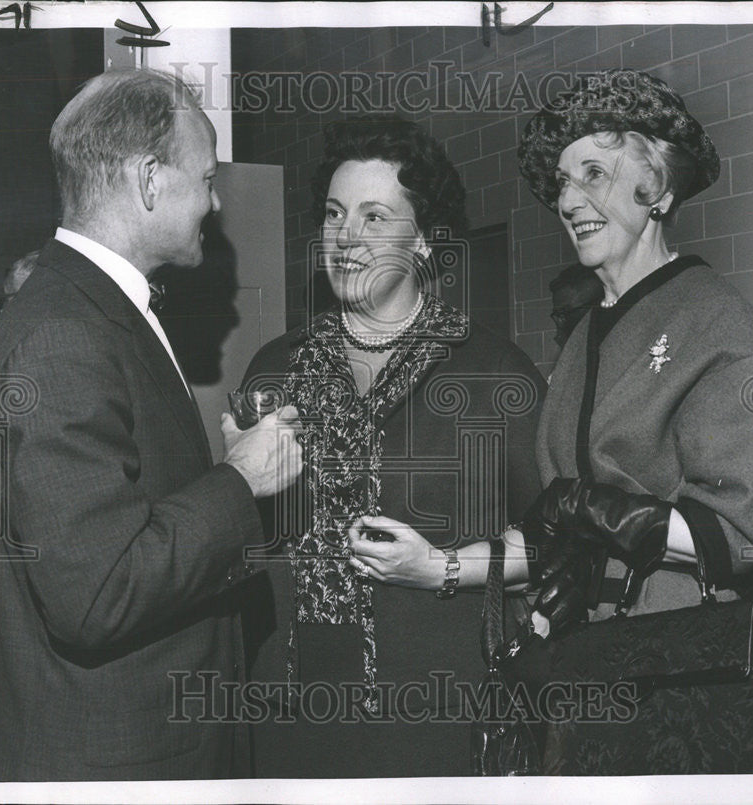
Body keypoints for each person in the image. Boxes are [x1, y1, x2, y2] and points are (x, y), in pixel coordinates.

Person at [0, 69, 303, 781]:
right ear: (150, 179)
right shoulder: (62, 332)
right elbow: (99, 593)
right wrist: (241, 479)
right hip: (117, 763)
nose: (215, 204)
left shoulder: (97, 310)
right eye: (206, 179)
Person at [241, 116, 546, 777]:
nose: (346, 237)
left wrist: (439, 566)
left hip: (436, 716)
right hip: (291, 716)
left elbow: (561, 540)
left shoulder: (490, 372)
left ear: (425, 241)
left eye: (375, 216)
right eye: (333, 213)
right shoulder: (275, 368)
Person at [512, 68, 753, 632]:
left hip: (672, 643)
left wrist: (589, 510)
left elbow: (738, 535)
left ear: (660, 191)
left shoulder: (711, 315)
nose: (569, 202)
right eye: (562, 182)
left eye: (594, 175)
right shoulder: (584, 333)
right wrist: (435, 565)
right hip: (587, 647)